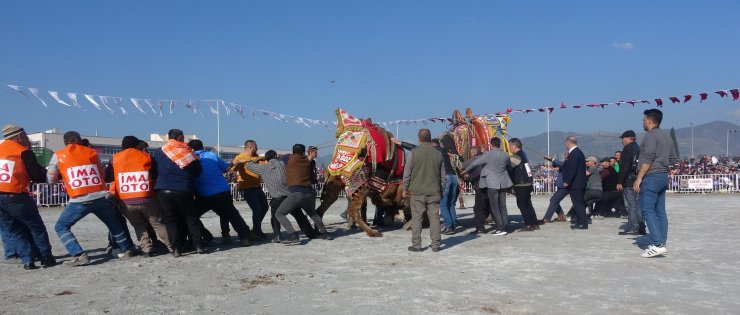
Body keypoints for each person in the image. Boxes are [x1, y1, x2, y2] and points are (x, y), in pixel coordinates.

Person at [48, 131, 134, 266]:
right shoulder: (92, 152)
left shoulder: (58, 155)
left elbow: (51, 179)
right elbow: (102, 172)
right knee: (114, 224)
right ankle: (126, 249)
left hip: (79, 199)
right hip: (100, 196)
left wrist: (61, 177)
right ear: (77, 139)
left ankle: (78, 254)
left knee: (61, 226)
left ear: (66, 142)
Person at [107, 136, 175, 257]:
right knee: (158, 224)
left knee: (138, 225)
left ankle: (146, 249)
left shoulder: (115, 159)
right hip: (147, 198)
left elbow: (108, 177)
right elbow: (155, 175)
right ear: (136, 144)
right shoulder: (146, 156)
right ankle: (172, 247)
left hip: (126, 200)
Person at [0, 125, 55, 269]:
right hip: (16, 195)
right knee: (36, 227)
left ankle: (27, 260)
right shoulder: (23, 152)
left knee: (14, 230)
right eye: (25, 135)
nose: (28, 138)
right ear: (18, 137)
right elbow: (36, 175)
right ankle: (46, 258)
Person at [188, 140, 253, 247]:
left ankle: (206, 236)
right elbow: (225, 168)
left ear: (190, 149)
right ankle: (245, 238)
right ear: (202, 146)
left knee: (191, 217)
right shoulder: (211, 155)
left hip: (204, 194)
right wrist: (232, 163)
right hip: (222, 191)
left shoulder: (190, 158)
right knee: (233, 215)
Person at [151, 129, 204, 255]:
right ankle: (198, 246)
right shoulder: (188, 151)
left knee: (170, 220)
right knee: (191, 218)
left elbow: (154, 170)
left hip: (163, 189)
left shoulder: (159, 151)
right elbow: (197, 171)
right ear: (180, 137)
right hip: (183, 188)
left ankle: (176, 249)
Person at [246, 150, 318, 243]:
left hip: (276, 198)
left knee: (275, 217)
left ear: (266, 159)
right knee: (300, 216)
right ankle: (311, 234)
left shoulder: (263, 168)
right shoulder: (284, 164)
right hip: (290, 197)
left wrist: (260, 158)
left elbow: (249, 165)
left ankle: (277, 236)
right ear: (275, 156)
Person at [633, 109, 676, 258]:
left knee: (647, 210)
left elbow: (648, 158)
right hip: (663, 175)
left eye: (644, 120)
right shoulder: (667, 137)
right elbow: (672, 158)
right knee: (660, 211)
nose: (643, 122)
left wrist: (639, 178)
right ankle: (661, 242)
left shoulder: (650, 136)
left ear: (650, 121)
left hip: (651, 176)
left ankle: (657, 243)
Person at [274, 144, 331, 245]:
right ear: (304, 152)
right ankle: (325, 233)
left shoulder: (288, 157)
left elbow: (277, 157)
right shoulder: (308, 161)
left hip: (296, 193)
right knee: (312, 214)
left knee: (279, 214)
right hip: (308, 193)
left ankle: (293, 235)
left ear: (293, 151)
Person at [403, 129, 445, 252]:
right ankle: (436, 244)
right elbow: (443, 176)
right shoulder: (438, 154)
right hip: (434, 191)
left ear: (419, 139)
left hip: (417, 192)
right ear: (430, 138)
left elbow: (407, 174)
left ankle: (416, 245)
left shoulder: (414, 153)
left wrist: (405, 189)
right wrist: (442, 189)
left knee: (417, 218)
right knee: (434, 218)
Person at [464, 137, 513, 235]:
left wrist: (466, 170)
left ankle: (500, 228)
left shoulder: (488, 155)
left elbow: (475, 163)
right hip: (503, 182)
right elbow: (509, 166)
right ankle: (505, 226)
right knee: (502, 206)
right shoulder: (506, 155)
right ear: (500, 144)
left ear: (491, 144)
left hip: (492, 183)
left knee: (494, 206)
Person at [228, 140, 269, 240]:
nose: (257, 148)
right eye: (256, 147)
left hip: (257, 187)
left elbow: (267, 164)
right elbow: (232, 168)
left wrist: (268, 158)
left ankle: (255, 229)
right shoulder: (240, 157)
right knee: (257, 209)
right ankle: (257, 231)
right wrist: (238, 164)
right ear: (251, 147)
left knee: (265, 207)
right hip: (247, 188)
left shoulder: (256, 156)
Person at [616, 130, 646, 235]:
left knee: (630, 204)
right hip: (638, 179)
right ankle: (641, 226)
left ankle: (633, 227)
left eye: (623, 138)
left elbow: (624, 167)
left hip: (629, 180)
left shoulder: (627, 149)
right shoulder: (639, 148)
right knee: (638, 204)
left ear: (628, 138)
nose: (622, 141)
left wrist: (620, 181)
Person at [508, 138, 538, 231]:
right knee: (528, 204)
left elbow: (508, 168)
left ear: (514, 146)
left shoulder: (516, 157)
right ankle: (535, 223)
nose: (509, 148)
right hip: (527, 182)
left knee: (522, 204)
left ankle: (528, 224)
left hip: (521, 184)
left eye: (510, 146)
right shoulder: (523, 154)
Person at [431, 139, 459, 235]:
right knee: (451, 203)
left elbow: (415, 148)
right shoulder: (444, 150)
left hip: (445, 177)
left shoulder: (434, 150)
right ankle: (453, 223)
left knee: (443, 203)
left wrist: (400, 143)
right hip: (454, 177)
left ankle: (448, 225)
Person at [562, 136, 588, 230]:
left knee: (578, 203)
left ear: (569, 142)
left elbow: (572, 169)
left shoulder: (574, 153)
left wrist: (567, 181)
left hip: (576, 183)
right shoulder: (577, 152)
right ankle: (580, 221)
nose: (565, 144)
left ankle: (583, 223)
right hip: (578, 182)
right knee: (578, 203)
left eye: (565, 142)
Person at [461, 147, 488, 234]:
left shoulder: (475, 159)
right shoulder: (486, 158)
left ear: (473, 153)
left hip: (480, 185)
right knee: (488, 205)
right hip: (489, 186)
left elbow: (461, 165)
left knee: (477, 208)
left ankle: (480, 228)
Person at [541, 156, 568, 223]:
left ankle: (547, 218)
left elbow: (561, 164)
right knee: (554, 200)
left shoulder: (568, 164)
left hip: (564, 186)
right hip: (562, 186)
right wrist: (551, 161)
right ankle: (561, 216)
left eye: (566, 156)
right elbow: (559, 165)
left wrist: (552, 159)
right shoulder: (565, 164)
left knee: (554, 200)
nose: (564, 157)